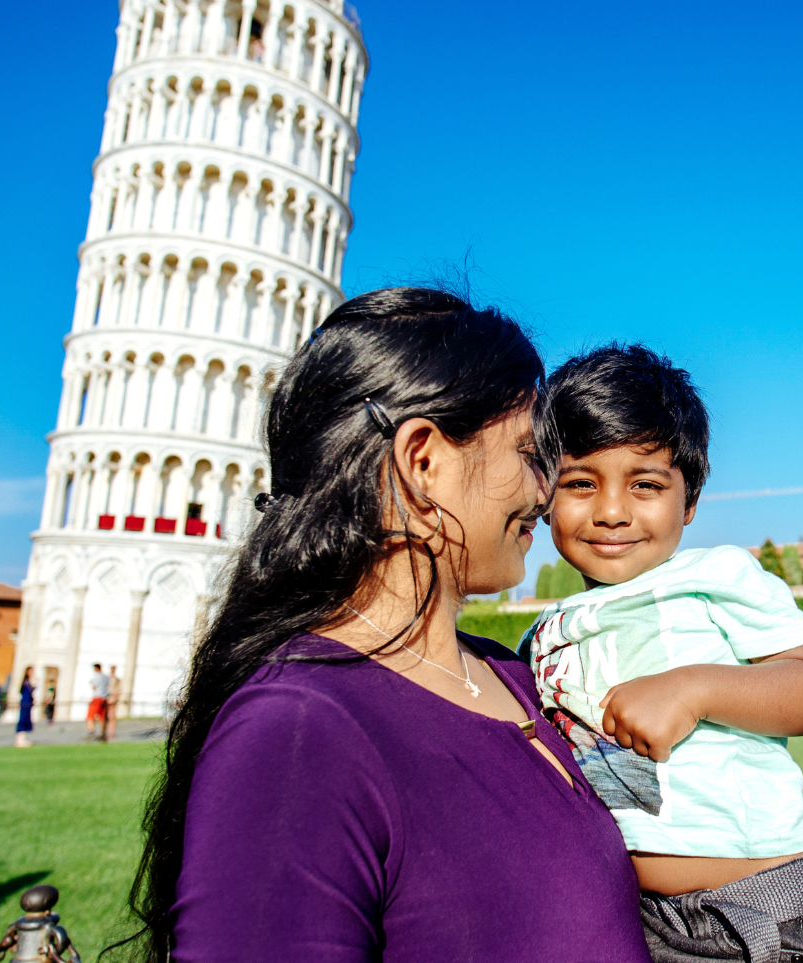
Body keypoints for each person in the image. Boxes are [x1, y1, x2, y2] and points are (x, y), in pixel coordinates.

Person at [116, 289, 652, 963]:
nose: (543, 491)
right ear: (423, 463)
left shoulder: (517, 675)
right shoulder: (298, 732)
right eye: (525, 451)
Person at [521, 345, 803, 963]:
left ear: (690, 500)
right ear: (543, 495)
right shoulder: (544, 632)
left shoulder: (717, 576)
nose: (611, 511)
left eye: (645, 485)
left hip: (755, 903)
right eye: (581, 483)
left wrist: (694, 687)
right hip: (628, 908)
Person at [87, 663, 110, 737]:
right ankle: (103, 733)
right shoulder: (106, 677)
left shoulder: (96, 677)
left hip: (97, 698)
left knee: (90, 716)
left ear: (96, 668)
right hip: (105, 698)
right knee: (102, 717)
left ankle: (91, 732)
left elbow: (94, 687)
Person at [16, 667, 35, 748]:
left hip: (28, 703)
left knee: (26, 720)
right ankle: (19, 741)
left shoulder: (28, 681)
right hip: (25, 703)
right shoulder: (26, 682)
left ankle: (22, 740)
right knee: (23, 720)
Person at [106, 665, 122, 740]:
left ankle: (111, 732)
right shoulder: (107, 678)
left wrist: (115, 697)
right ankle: (106, 732)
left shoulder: (117, 679)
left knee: (112, 716)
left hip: (112, 698)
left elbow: (119, 689)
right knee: (106, 716)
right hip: (107, 698)